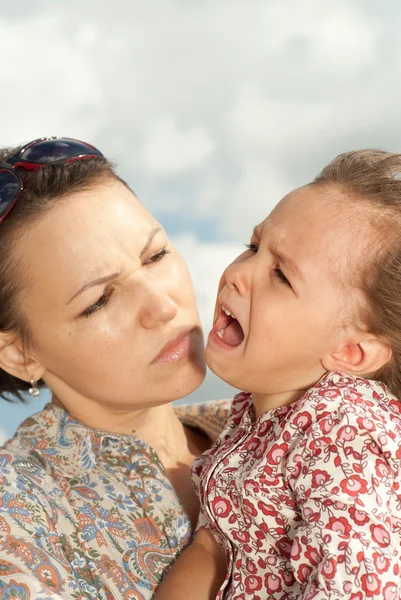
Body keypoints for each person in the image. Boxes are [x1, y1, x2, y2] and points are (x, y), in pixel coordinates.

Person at [156, 150, 401, 600]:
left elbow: (361, 583)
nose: (238, 275)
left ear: (351, 351)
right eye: (253, 247)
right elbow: (215, 545)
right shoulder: (257, 411)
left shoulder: (344, 431)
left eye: (281, 276)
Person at [0, 137, 229, 600]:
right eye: (99, 300)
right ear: (19, 354)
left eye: (156, 256)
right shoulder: (17, 519)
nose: (163, 306)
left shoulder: (281, 423)